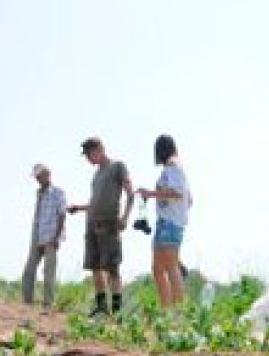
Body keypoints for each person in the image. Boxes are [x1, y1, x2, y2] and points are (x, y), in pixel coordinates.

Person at [66, 136, 133, 315]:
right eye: (86, 155)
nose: (88, 158)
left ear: (100, 149)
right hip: (92, 225)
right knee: (95, 266)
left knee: (112, 268)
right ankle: (101, 307)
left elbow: (130, 193)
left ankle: (117, 311)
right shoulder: (96, 175)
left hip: (110, 224)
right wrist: (79, 208)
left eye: (89, 154)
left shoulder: (117, 167)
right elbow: (95, 202)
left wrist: (125, 217)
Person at [136, 134, 191, 308]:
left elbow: (177, 194)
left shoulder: (173, 166)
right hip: (166, 222)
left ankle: (179, 316)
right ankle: (167, 313)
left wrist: (150, 194)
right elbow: (189, 200)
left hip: (170, 224)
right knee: (158, 268)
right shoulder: (172, 168)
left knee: (171, 267)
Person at [21, 163, 65, 310]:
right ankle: (27, 302)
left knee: (48, 270)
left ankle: (48, 304)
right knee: (29, 269)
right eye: (37, 176)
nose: (38, 179)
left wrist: (57, 237)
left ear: (48, 174)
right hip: (37, 232)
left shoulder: (58, 192)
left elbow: (62, 215)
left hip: (51, 234)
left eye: (41, 175)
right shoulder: (38, 193)